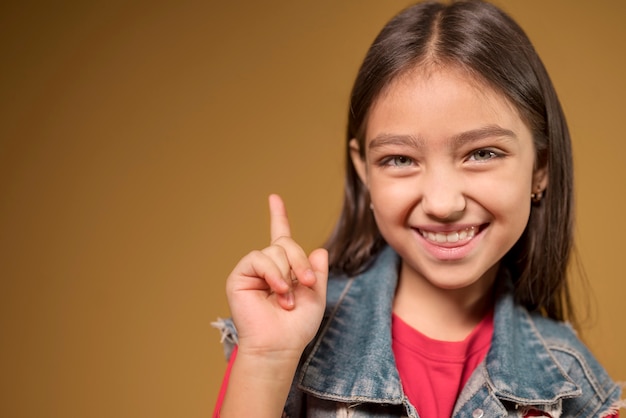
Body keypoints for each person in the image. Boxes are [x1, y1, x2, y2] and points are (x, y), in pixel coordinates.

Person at [212, 1, 624, 417]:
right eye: (400, 159)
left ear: (540, 169)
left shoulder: (573, 390)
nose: (442, 203)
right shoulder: (286, 339)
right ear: (364, 172)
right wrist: (266, 361)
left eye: (481, 153)